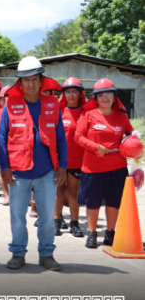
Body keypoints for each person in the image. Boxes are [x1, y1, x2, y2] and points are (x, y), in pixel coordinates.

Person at [0, 56, 67, 272]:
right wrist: (5, 168)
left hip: (47, 172)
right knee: (17, 217)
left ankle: (46, 254)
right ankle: (18, 253)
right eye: (26, 80)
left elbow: (61, 138)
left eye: (34, 79)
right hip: (19, 172)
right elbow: (1, 138)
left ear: (41, 81)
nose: (30, 83)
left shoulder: (52, 104)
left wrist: (63, 166)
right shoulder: (11, 105)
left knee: (46, 217)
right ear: (20, 83)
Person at [75, 78, 136, 248]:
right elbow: (78, 137)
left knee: (113, 202)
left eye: (109, 94)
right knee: (92, 202)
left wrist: (135, 143)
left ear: (115, 97)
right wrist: (96, 147)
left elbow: (131, 137)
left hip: (117, 168)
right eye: (101, 95)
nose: (105, 98)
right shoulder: (87, 115)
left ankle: (110, 233)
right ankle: (92, 234)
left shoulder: (122, 117)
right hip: (93, 167)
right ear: (95, 98)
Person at [54, 78, 87, 237]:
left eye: (75, 91)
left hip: (78, 159)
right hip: (59, 160)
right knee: (58, 191)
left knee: (73, 192)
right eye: (68, 91)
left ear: (80, 93)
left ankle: (75, 224)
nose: (72, 95)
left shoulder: (86, 111)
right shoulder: (58, 110)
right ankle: (56, 221)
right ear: (64, 93)